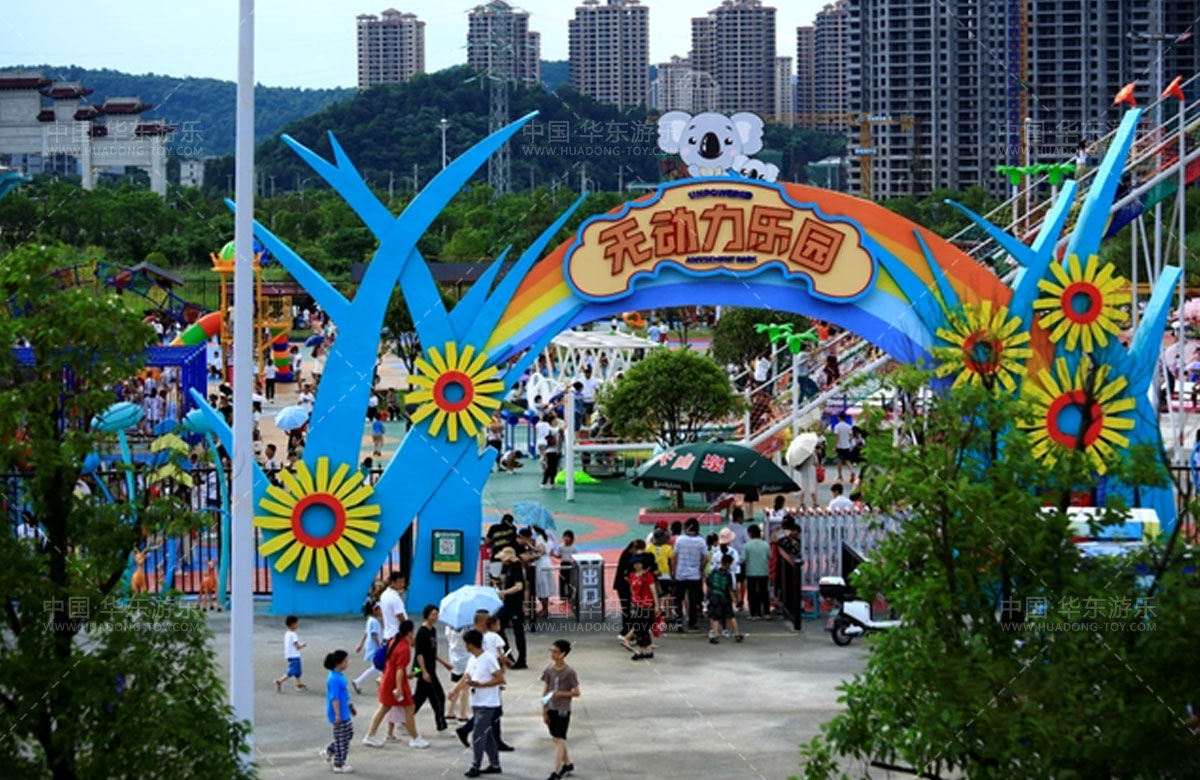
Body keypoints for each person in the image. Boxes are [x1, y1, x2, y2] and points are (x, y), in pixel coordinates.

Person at [362, 620, 429, 748]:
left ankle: (370, 735)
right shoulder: (404, 648)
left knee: (385, 707)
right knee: (409, 708)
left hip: (388, 678)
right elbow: (399, 669)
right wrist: (399, 688)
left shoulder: (393, 641)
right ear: (410, 632)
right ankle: (415, 737)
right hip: (395, 681)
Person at [461, 629, 505, 778]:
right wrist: (455, 690)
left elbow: (500, 678)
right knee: (488, 735)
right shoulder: (472, 659)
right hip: (477, 701)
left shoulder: (488, 658)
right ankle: (494, 763)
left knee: (478, 734)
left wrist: (481, 685)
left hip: (488, 703)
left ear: (471, 644)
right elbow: (466, 676)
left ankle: (475, 765)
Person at [541, 639, 580, 780]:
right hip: (551, 707)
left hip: (563, 709)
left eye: (555, 652)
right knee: (558, 739)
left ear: (563, 654)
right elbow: (546, 689)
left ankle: (556, 771)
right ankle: (567, 764)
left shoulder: (569, 672)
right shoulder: (549, 670)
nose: (553, 654)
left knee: (559, 738)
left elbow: (577, 692)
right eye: (551, 651)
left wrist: (561, 694)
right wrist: (544, 709)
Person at [412, 605, 452, 733]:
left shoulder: (432, 630)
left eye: (437, 614)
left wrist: (445, 663)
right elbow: (419, 654)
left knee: (419, 698)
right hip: (423, 670)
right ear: (427, 615)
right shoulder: (422, 632)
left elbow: (433, 652)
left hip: (430, 669)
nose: (435, 617)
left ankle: (404, 719)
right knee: (438, 697)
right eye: (433, 614)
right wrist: (424, 672)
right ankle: (442, 726)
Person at [320, 650, 357, 773]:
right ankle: (339, 764)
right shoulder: (334, 678)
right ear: (338, 663)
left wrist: (350, 707)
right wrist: (337, 714)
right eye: (345, 661)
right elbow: (334, 698)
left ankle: (330, 750)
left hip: (344, 711)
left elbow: (344, 695)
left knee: (348, 734)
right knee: (342, 740)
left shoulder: (339, 676)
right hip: (339, 713)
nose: (347, 663)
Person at [672, 518, 708, 632]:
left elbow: (674, 557)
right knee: (693, 600)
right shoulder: (701, 541)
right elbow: (706, 557)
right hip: (694, 575)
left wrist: (673, 571)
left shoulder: (680, 540)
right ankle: (692, 623)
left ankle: (678, 620)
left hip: (680, 574)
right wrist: (700, 568)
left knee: (678, 599)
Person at [496, 548, 528, 669]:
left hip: (515, 604)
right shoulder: (507, 568)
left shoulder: (516, 567)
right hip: (507, 603)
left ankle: (522, 659)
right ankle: (508, 655)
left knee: (518, 632)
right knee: (497, 626)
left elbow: (519, 586)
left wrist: (505, 592)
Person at [623, 554, 659, 660]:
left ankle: (639, 650)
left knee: (640, 628)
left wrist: (656, 605)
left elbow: (653, 590)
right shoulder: (632, 575)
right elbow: (632, 589)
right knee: (642, 628)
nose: (637, 565)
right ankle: (648, 650)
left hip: (647, 605)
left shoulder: (648, 576)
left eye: (639, 563)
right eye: (635, 564)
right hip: (637, 605)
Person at [707, 553, 744, 643]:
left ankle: (715, 635)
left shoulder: (714, 572)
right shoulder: (728, 574)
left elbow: (709, 584)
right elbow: (730, 588)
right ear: (728, 563)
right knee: (730, 615)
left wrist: (708, 596)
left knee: (714, 616)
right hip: (725, 598)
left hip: (715, 596)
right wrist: (734, 599)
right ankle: (737, 633)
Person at [645, 525, 674, 625]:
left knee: (655, 596)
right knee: (667, 595)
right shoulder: (668, 548)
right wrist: (672, 573)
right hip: (666, 575)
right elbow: (672, 561)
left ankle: (656, 616)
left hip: (653, 576)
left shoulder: (649, 548)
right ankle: (667, 616)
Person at [352, 602, 383, 694]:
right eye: (379, 609)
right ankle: (358, 681)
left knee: (378, 666)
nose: (381, 611)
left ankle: (359, 681)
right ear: (374, 610)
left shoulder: (370, 620)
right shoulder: (374, 622)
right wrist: (380, 647)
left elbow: (366, 633)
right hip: (374, 648)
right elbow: (374, 635)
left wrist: (361, 645)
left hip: (371, 646)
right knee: (378, 666)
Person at [743, 525, 771, 621]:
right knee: (764, 592)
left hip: (751, 572)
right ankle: (766, 613)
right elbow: (769, 556)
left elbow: (743, 559)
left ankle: (753, 613)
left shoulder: (747, 545)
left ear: (750, 534)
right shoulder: (766, 545)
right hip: (763, 571)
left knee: (752, 593)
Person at [445, 622, 471, 724]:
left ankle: (450, 712)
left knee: (456, 685)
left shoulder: (448, 628)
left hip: (454, 659)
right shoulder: (466, 629)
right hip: (465, 660)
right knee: (465, 688)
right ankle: (462, 715)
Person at [274, 615, 307, 692]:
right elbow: (297, 646)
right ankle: (280, 681)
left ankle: (299, 683)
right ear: (292, 624)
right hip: (294, 655)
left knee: (297, 670)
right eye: (296, 623)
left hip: (289, 655)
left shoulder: (287, 634)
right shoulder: (293, 634)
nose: (297, 625)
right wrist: (303, 645)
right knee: (293, 670)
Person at [532, 526, 556, 622]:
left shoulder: (539, 538)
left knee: (542, 587)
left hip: (541, 564)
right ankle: (544, 609)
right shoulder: (547, 538)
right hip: (547, 563)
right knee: (544, 587)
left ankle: (545, 610)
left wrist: (532, 547)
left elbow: (541, 550)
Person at [554, 530, 577, 616]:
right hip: (563, 564)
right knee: (563, 581)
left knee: (570, 581)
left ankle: (571, 596)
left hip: (570, 565)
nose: (566, 539)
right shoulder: (561, 547)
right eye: (565, 537)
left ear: (572, 539)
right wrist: (552, 554)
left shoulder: (573, 548)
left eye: (568, 537)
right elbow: (559, 555)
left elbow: (576, 557)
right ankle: (564, 596)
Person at [379, 571, 407, 640]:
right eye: (400, 582)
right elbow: (400, 616)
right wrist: (408, 631)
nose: (402, 584)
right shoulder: (395, 597)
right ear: (392, 582)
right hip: (396, 635)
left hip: (387, 634)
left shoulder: (383, 595)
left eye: (403, 582)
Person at [540, 414, 562, 489]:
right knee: (550, 467)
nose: (556, 422)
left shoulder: (552, 429)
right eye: (554, 420)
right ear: (551, 421)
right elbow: (559, 430)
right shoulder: (550, 429)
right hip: (550, 450)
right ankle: (544, 482)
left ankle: (552, 482)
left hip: (554, 450)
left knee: (554, 467)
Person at [833, 413, 854, 481]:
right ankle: (852, 471)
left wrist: (835, 447)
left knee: (839, 461)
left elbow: (837, 437)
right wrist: (847, 440)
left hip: (840, 446)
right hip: (846, 446)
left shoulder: (837, 426)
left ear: (839, 417)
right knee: (847, 460)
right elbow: (851, 436)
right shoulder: (848, 426)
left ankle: (840, 476)